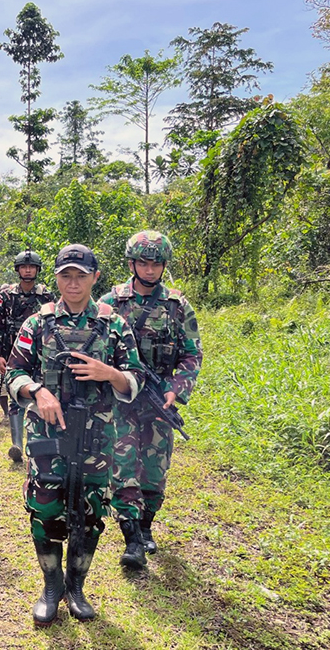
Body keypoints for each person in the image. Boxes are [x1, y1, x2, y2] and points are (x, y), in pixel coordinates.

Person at [4, 244, 145, 625]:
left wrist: (109, 374)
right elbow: (13, 373)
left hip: (97, 438)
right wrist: (37, 391)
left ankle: (76, 587)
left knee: (91, 512)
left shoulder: (113, 324)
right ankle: (51, 587)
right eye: (66, 275)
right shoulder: (38, 323)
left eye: (81, 276)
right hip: (48, 438)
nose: (73, 283)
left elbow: (136, 379)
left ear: (95, 278)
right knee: (44, 509)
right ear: (56, 278)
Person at [99, 231, 202, 559]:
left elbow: (191, 354)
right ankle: (131, 539)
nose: (149, 269)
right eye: (143, 263)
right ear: (132, 263)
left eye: (156, 263)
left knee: (155, 471)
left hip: (159, 402)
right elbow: (93, 345)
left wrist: (176, 390)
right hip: (121, 400)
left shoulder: (177, 306)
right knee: (123, 464)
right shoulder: (112, 302)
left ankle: (145, 526)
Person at [0, 251, 54, 463]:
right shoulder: (6, 295)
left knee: (39, 394)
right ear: (17, 269)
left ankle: (38, 443)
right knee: (15, 395)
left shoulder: (46, 296)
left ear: (37, 270)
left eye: (32, 267)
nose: (28, 270)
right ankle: (16, 444)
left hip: (39, 354)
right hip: (12, 353)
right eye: (24, 267)